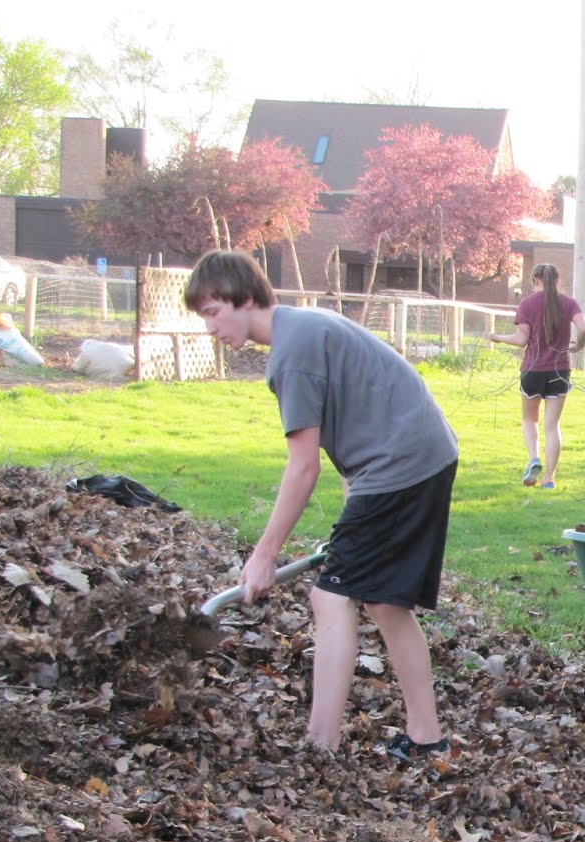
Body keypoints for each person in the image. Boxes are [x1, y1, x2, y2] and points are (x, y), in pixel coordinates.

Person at [184, 250, 459, 763]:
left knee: (330, 598)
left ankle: (319, 749)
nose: (210, 327)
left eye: (212, 311)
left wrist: (266, 553)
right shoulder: (304, 327)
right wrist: (354, 507)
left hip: (400, 464)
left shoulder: (292, 353)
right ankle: (427, 738)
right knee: (383, 602)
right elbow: (364, 408)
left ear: (243, 297)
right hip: (422, 454)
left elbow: (303, 467)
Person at [487, 263, 585, 490]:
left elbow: (521, 340)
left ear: (535, 280)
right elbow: (583, 328)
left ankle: (534, 458)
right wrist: (578, 346)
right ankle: (549, 480)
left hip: (532, 370)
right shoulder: (569, 303)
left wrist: (497, 337)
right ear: (556, 279)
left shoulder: (527, 304)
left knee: (530, 419)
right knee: (552, 426)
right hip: (559, 371)